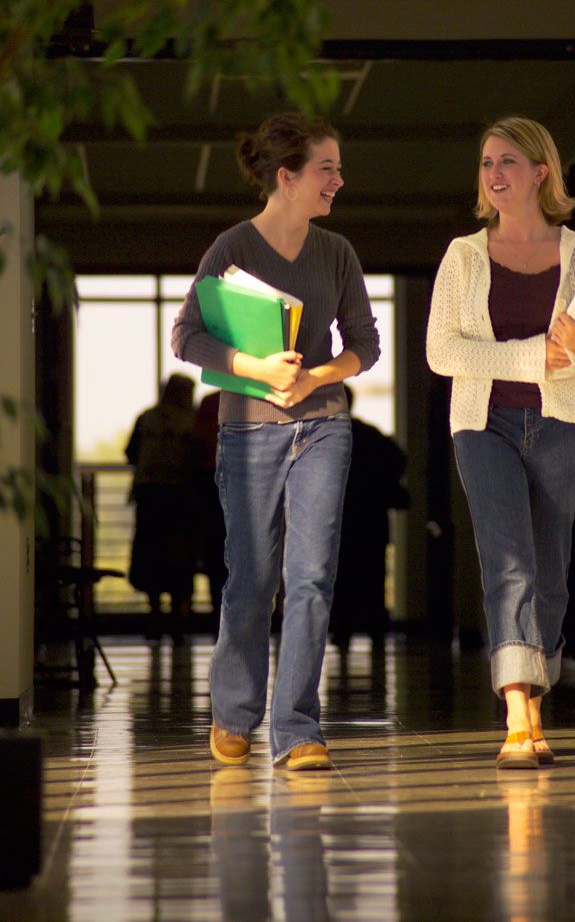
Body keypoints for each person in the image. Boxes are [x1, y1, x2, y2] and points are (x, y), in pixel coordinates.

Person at [171, 111, 380, 772]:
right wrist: (257, 368)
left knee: (311, 577)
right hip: (248, 431)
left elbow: (365, 345)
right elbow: (186, 336)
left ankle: (297, 728)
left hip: (322, 425)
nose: (337, 181)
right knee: (253, 578)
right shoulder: (231, 247)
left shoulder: (337, 252)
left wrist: (315, 375)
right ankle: (233, 712)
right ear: (287, 177)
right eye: (326, 170)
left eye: (338, 170)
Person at [426, 116, 575, 769]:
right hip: (482, 424)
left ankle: (533, 692)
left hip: (562, 426)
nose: (494, 174)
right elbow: (441, 352)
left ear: (541, 172)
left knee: (549, 571)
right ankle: (519, 713)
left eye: (507, 162)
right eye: (487, 163)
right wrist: (532, 356)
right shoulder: (463, 256)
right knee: (508, 560)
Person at [329, 384, 409, 650]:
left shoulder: (328, 439)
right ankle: (376, 630)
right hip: (371, 520)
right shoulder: (371, 436)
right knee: (374, 576)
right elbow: (398, 459)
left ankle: (341, 630)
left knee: (340, 577)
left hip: (340, 520)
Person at [125, 373, 197, 644]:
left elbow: (131, 453)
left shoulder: (147, 419)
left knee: (150, 556)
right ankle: (179, 624)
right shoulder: (192, 421)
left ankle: (154, 618)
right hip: (181, 497)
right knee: (180, 559)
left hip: (149, 493)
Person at [190, 390, 227, 635]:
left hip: (208, 486)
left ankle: (218, 616)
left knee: (215, 556)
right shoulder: (254, 398)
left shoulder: (209, 403)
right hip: (242, 484)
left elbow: (197, 444)